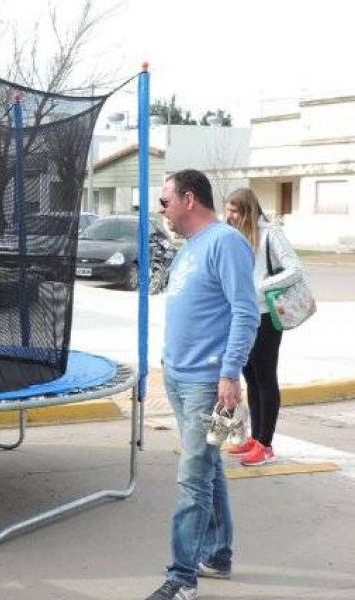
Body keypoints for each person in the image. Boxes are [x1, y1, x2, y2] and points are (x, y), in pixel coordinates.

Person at [145, 169, 259, 600]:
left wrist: (229, 374)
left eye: (165, 201)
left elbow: (245, 313)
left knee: (193, 478)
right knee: (209, 468)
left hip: (209, 384)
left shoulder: (226, 242)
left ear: (189, 199)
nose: (162, 210)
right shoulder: (192, 246)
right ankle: (219, 554)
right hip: (179, 377)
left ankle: (182, 578)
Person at [224, 187, 304, 466]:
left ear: (248, 210)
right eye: (228, 210)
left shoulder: (270, 233)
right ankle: (255, 438)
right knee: (250, 378)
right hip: (242, 316)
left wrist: (259, 287)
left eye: (235, 210)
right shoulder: (235, 235)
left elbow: (295, 268)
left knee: (265, 377)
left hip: (266, 315)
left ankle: (266, 444)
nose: (230, 216)